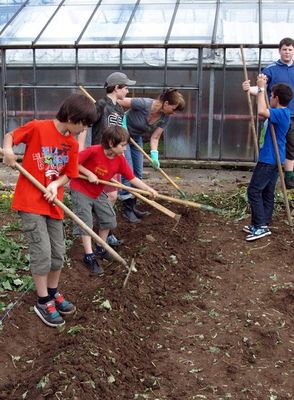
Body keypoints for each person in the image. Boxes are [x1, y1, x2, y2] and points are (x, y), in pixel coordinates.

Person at [2, 93, 97, 327]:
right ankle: (43, 300)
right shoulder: (38, 128)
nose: (84, 128)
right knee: (42, 253)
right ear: (72, 116)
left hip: (54, 204)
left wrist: (55, 184)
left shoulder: (71, 144)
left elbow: (70, 174)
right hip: (30, 202)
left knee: (57, 253)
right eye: (83, 123)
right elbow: (10, 136)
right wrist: (8, 151)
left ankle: (53, 292)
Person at [70, 125, 158, 275]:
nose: (125, 149)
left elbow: (132, 178)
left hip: (97, 192)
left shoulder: (119, 160)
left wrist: (148, 189)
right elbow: (72, 162)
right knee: (85, 222)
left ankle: (100, 247)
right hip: (80, 189)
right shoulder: (93, 151)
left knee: (109, 219)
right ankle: (89, 256)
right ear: (111, 143)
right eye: (123, 145)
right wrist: (88, 173)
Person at [118, 88, 185, 223]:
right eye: (173, 108)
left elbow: (155, 138)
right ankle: (127, 210)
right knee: (128, 173)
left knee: (138, 173)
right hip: (121, 138)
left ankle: (133, 206)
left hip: (135, 139)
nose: (174, 112)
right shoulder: (143, 103)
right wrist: (122, 123)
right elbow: (118, 102)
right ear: (166, 103)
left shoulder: (166, 118)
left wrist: (154, 157)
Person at [243, 75, 293, 241]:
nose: (269, 97)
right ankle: (263, 221)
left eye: (271, 95)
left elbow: (261, 111)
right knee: (267, 191)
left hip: (269, 159)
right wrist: (255, 90)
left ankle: (260, 226)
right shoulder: (281, 112)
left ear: (276, 98)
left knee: (253, 191)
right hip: (273, 159)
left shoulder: (281, 113)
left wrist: (261, 88)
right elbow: (263, 109)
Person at [89, 71, 136, 247]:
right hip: (101, 156)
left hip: (115, 157)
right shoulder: (100, 105)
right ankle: (104, 233)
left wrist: (122, 152)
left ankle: (106, 231)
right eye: (125, 88)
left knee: (112, 196)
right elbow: (87, 125)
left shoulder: (119, 109)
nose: (128, 92)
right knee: (110, 195)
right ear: (116, 88)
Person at [242, 37, 294, 189]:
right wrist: (248, 89)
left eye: (290, 49)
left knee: (291, 146)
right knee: (272, 145)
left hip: (292, 116)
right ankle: (271, 173)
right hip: (276, 115)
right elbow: (261, 89)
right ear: (279, 51)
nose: (287, 52)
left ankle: (289, 178)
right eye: (284, 49)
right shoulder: (270, 69)